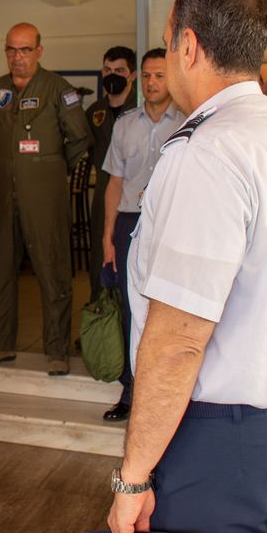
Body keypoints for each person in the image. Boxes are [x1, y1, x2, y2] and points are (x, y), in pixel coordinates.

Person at [106, 0, 267, 533]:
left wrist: (132, 477)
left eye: (168, 43)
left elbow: (180, 339)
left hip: (226, 444)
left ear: (188, 46)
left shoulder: (207, 151)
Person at [0, 22, 90, 375]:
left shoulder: (58, 89)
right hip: (2, 192)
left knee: (52, 267)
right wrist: (6, 160)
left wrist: (49, 167)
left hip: (44, 194)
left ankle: (56, 350)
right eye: (11, 49)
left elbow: (80, 138)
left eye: (24, 49)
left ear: (39, 51)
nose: (17, 56)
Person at [99, 48, 184, 422]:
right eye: (147, 75)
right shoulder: (125, 125)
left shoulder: (188, 123)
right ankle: (130, 390)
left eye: (160, 75)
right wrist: (107, 237)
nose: (152, 82)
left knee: (166, 307)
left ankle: (165, 393)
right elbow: (114, 184)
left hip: (169, 226)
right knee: (130, 309)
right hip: (128, 225)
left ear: (172, 78)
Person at [84, 46, 137, 301]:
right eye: (107, 70)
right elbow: (85, 145)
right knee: (100, 252)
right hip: (104, 191)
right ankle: (101, 310)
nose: (112, 75)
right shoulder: (95, 112)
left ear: (132, 75)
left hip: (135, 191)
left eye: (119, 70)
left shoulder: (141, 108)